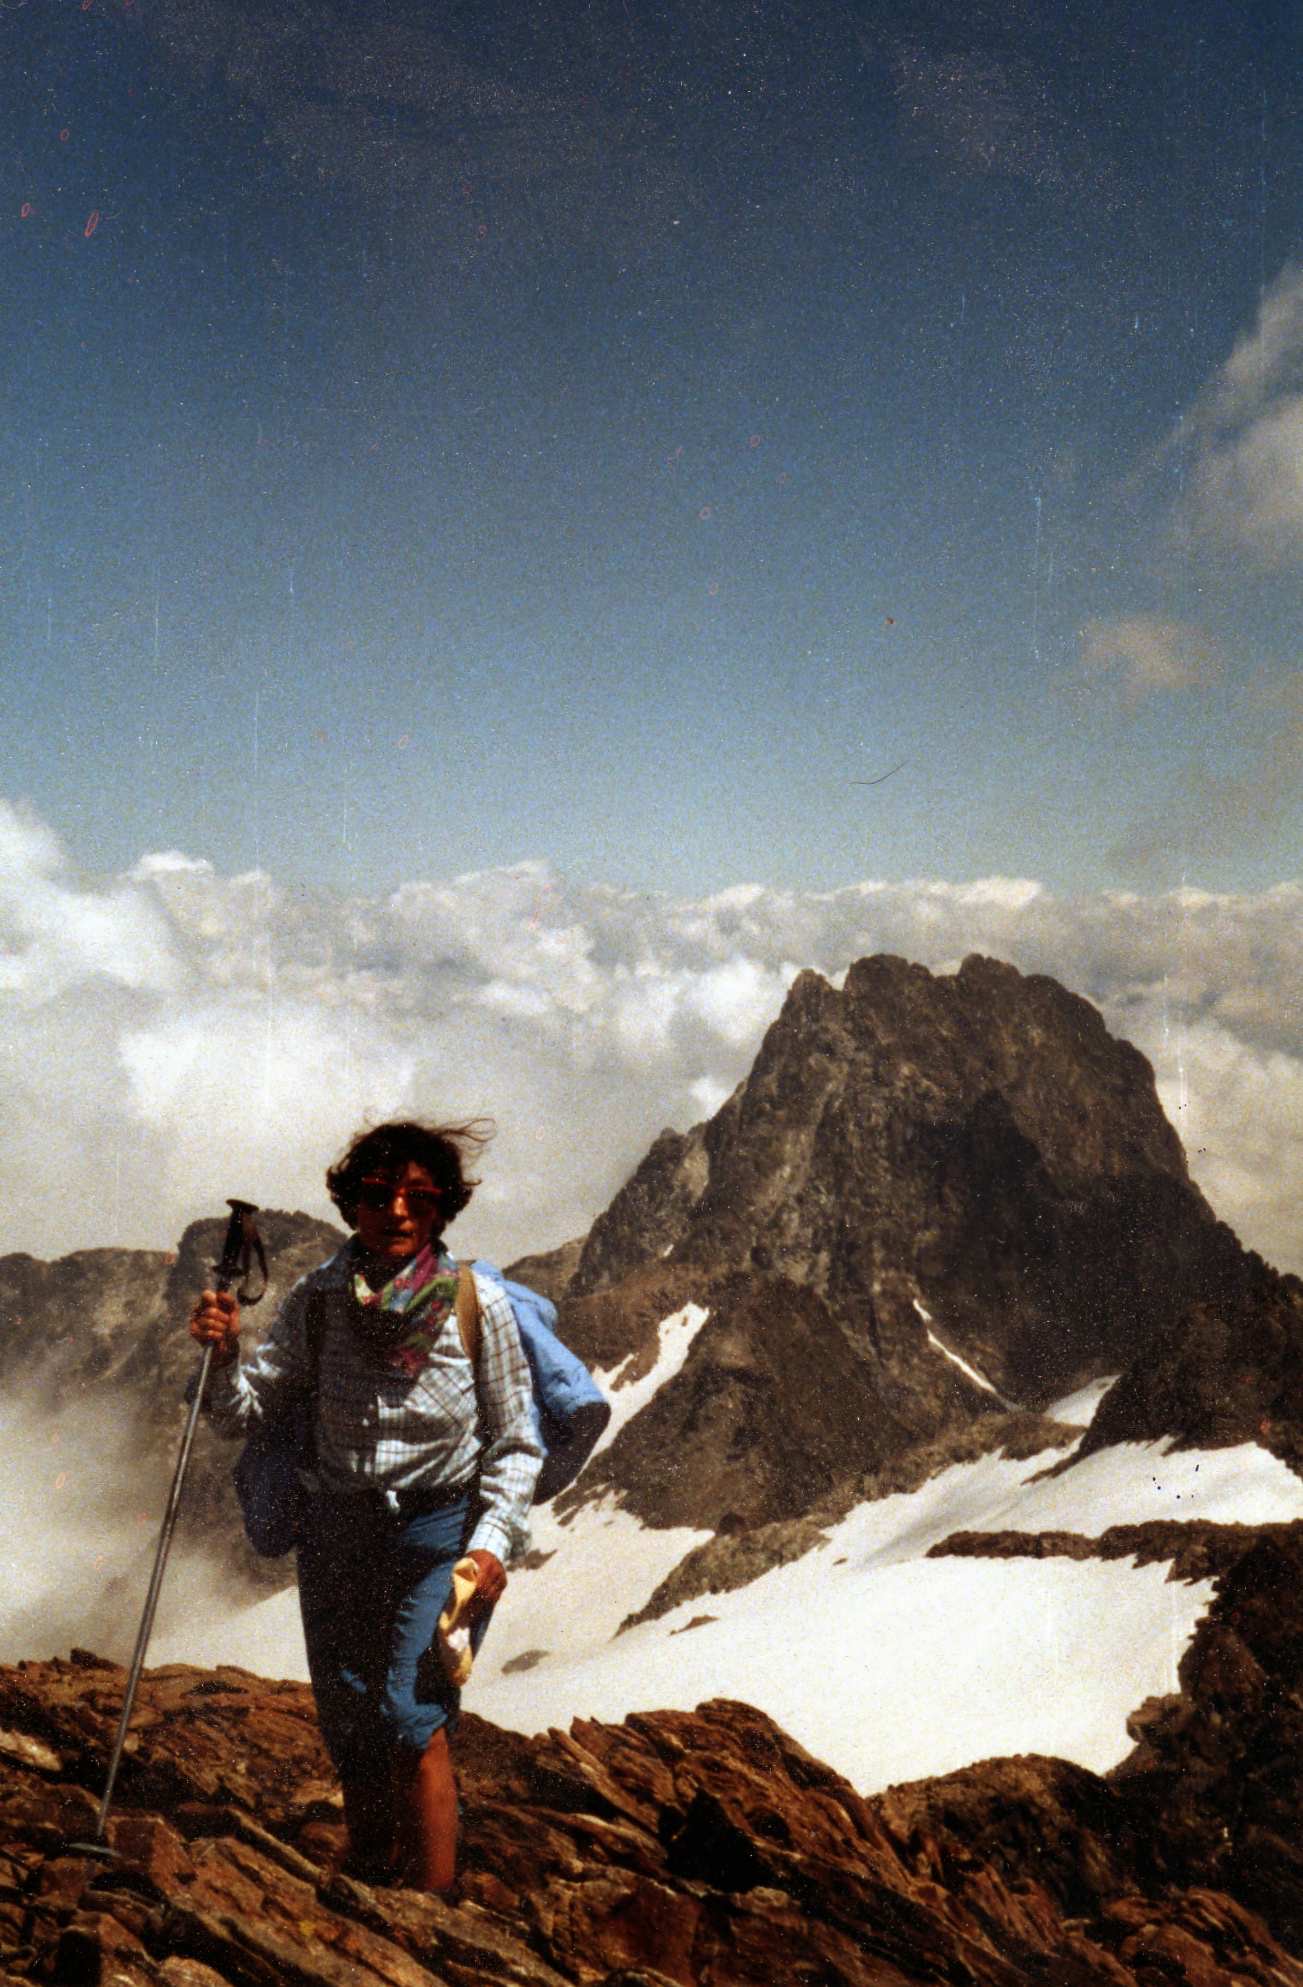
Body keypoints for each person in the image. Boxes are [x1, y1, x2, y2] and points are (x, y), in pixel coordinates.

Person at [189, 1120, 542, 1892]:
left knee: (412, 1711)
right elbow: (243, 1411)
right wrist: (223, 1356)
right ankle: (374, 1872)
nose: (398, 1211)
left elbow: (517, 1441)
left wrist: (491, 1542)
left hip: (438, 1529)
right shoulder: (319, 1298)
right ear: (352, 1204)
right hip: (337, 1527)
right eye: (378, 1194)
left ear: (443, 1208)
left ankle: (432, 1912)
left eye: (419, 1197)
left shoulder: (478, 1303)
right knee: (349, 1711)